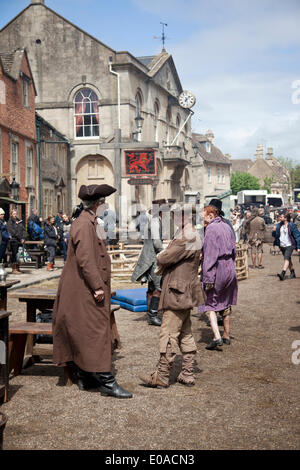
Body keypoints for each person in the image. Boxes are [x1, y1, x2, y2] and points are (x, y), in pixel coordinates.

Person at [53, 184, 132, 399]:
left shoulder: (89, 222)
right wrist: (97, 287)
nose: (106, 206)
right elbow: (86, 260)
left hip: (83, 288)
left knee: (85, 330)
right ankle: (106, 382)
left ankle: (85, 376)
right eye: (104, 202)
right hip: (85, 289)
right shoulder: (84, 224)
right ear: (97, 204)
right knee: (97, 331)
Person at [139, 203, 205, 388]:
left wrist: (161, 254)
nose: (173, 218)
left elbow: (165, 257)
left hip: (178, 292)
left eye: (176, 215)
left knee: (168, 333)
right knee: (185, 333)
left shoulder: (186, 236)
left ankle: (162, 375)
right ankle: (187, 373)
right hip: (185, 290)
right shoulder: (191, 234)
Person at [201, 205, 238, 350]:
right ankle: (227, 335)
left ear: (210, 215)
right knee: (225, 300)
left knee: (209, 302)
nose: (202, 219)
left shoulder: (211, 229)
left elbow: (210, 255)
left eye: (204, 216)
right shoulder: (226, 226)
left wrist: (208, 277)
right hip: (229, 267)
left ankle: (217, 337)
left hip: (218, 268)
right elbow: (234, 248)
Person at [131, 199, 169, 327]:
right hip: (152, 258)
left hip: (150, 256)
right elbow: (157, 243)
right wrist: (166, 252)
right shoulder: (155, 221)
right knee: (157, 286)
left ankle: (150, 313)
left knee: (151, 286)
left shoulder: (155, 220)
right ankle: (152, 315)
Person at [273, 212, 300, 280]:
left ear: (285, 218)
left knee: (286, 258)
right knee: (288, 259)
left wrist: (299, 247)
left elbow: (297, 236)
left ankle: (283, 273)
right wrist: (274, 231)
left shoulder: (291, 225)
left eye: (281, 217)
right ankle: (292, 272)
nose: (280, 218)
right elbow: (275, 235)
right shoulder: (279, 225)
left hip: (290, 245)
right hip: (282, 245)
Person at [7, 209, 27, 274]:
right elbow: (12, 232)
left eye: (16, 213)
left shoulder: (19, 221)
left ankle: (18, 267)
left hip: (20, 241)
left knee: (19, 254)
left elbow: (24, 230)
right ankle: (14, 268)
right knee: (14, 254)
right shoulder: (10, 222)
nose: (15, 215)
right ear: (11, 214)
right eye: (14, 214)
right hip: (14, 240)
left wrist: (23, 237)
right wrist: (20, 238)